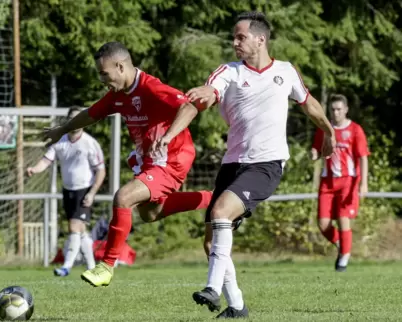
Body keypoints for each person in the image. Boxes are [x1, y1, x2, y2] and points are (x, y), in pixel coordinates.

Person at [152, 11, 336, 319]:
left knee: (222, 212)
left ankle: (212, 288)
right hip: (232, 164)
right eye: (234, 37)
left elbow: (310, 104)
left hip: (266, 165)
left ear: (260, 39)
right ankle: (237, 306)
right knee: (211, 240)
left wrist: (328, 131)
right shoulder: (230, 72)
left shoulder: (286, 71)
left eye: (241, 37)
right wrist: (171, 133)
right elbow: (205, 96)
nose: (234, 42)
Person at [42, 41, 213, 287]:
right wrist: (62, 129)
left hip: (172, 158)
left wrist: (167, 137)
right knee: (150, 213)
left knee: (123, 197)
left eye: (104, 73)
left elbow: (188, 107)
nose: (102, 79)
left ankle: (106, 266)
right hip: (150, 160)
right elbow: (91, 113)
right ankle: (210, 198)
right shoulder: (118, 96)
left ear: (120, 67)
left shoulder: (151, 87)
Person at [27, 106, 106, 277]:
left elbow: (101, 170)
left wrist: (92, 193)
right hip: (68, 190)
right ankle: (92, 267)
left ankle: (66, 267)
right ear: (68, 121)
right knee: (81, 230)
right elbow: (46, 160)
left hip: (84, 190)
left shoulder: (90, 143)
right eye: (72, 118)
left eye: (79, 118)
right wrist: (34, 169)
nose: (76, 121)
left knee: (74, 227)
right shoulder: (60, 142)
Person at [311, 94, 370, 272]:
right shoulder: (325, 128)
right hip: (327, 183)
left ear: (345, 110)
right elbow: (317, 148)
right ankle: (341, 244)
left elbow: (363, 157)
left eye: (339, 109)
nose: (336, 113)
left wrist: (363, 183)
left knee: (344, 220)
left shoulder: (355, 130)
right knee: (323, 224)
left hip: (348, 182)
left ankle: (344, 258)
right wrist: (314, 154)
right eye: (333, 109)